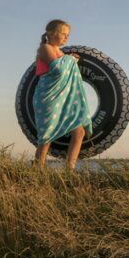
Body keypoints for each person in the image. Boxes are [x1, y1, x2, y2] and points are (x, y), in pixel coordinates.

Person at [33, 19, 92, 171]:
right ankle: (38, 170)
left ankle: (69, 170)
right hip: (48, 97)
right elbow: (58, 70)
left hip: (64, 98)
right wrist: (71, 59)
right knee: (46, 137)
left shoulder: (62, 53)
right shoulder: (45, 48)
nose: (67, 37)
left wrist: (69, 59)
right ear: (51, 34)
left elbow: (64, 68)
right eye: (63, 34)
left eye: (68, 35)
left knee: (79, 131)